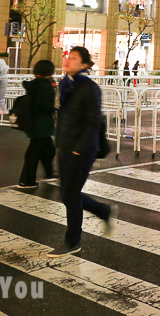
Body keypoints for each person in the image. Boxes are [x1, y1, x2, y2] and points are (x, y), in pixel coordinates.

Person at [47, 46, 117, 258]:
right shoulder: (65, 83)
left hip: (81, 149)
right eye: (68, 56)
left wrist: (79, 148)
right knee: (69, 192)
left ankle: (72, 241)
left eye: (74, 58)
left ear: (84, 65)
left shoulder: (89, 88)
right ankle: (102, 210)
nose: (68, 60)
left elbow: (93, 121)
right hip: (66, 145)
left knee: (69, 194)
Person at [18, 60, 57, 189]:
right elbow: (46, 106)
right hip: (42, 125)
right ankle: (26, 180)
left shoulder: (35, 85)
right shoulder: (46, 87)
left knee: (47, 149)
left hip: (34, 123)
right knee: (34, 153)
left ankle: (50, 173)